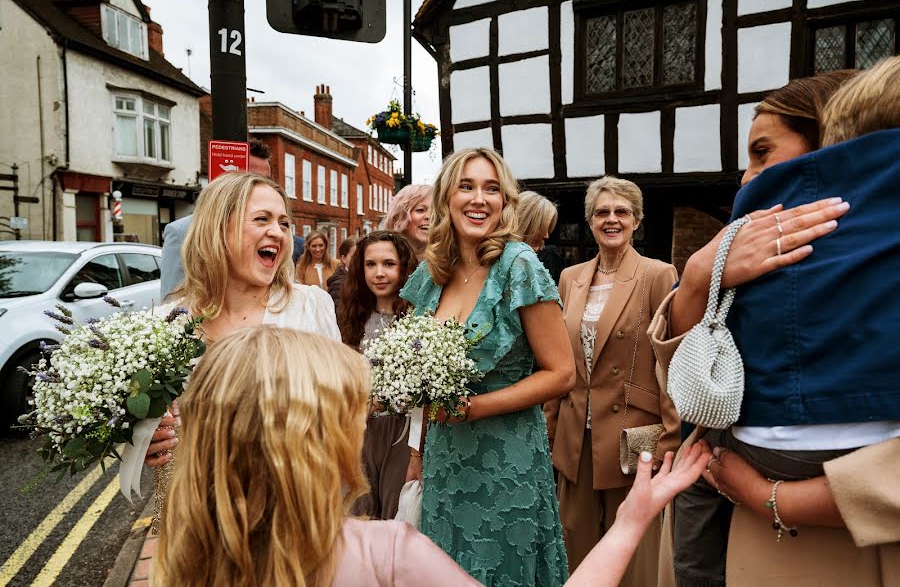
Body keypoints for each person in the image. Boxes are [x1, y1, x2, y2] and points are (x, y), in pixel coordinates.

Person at [152, 325, 713, 587]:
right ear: (314, 445)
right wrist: (633, 519)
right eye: (354, 414)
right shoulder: (384, 554)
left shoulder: (187, 561)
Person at [652, 63, 900, 587]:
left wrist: (775, 497)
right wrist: (699, 277)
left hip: (855, 540)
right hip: (748, 534)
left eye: (762, 153)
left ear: (832, 144)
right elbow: (691, 387)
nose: (746, 177)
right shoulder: (747, 244)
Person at [399, 147, 576, 585]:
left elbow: (562, 373)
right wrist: (418, 452)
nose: (479, 199)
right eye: (467, 186)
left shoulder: (519, 266)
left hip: (506, 459)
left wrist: (476, 408)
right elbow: (420, 372)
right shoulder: (432, 272)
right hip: (444, 456)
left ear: (504, 202)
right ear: (446, 199)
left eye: (491, 189)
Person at [144, 172, 340, 468]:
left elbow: (341, 415)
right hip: (192, 502)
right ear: (218, 229)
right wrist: (145, 440)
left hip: (288, 500)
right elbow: (142, 424)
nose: (278, 232)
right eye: (262, 219)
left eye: (284, 223)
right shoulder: (165, 324)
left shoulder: (310, 307)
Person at [542, 176, 679, 582]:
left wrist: (670, 439)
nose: (612, 219)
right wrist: (549, 427)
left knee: (635, 548)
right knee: (575, 546)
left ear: (637, 220)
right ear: (590, 221)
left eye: (622, 212)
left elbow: (667, 360)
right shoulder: (570, 277)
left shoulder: (657, 274)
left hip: (632, 434)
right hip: (574, 433)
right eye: (602, 212)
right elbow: (559, 358)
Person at [338, 231, 418, 519]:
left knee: (396, 517)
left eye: (389, 264)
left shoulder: (418, 317)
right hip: (359, 430)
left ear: (404, 268)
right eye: (370, 264)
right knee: (359, 516)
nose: (379, 273)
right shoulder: (350, 315)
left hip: (403, 431)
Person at [160, 138, 272, 301]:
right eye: (254, 179)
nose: (264, 187)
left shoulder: (276, 230)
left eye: (267, 180)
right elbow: (171, 301)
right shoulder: (183, 231)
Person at [381, 183, 432, 260]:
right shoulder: (380, 256)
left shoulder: (449, 262)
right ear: (400, 216)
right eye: (420, 210)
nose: (429, 216)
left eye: (436, 212)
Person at [326, 237, 357, 311]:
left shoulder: (362, 278)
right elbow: (340, 315)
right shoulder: (338, 284)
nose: (359, 260)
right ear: (344, 258)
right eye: (354, 257)